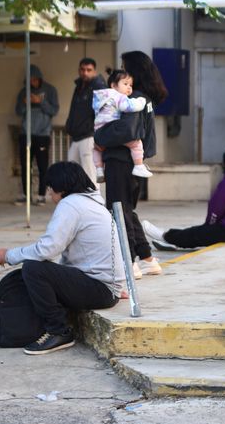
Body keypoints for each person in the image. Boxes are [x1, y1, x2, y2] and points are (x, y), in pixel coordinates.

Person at [0, 162, 126, 356]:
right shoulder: (92, 203)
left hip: (101, 289)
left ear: (62, 187)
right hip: (104, 287)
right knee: (23, 280)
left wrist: (9, 255)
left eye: (51, 190)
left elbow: (47, 249)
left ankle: (59, 331)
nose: (51, 196)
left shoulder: (72, 204)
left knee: (33, 269)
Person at [94, 51, 163, 279]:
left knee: (118, 210)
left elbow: (127, 130)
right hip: (130, 161)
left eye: (125, 68)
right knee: (125, 209)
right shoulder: (144, 97)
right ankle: (147, 259)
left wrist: (100, 136)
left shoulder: (132, 100)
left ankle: (130, 261)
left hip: (120, 160)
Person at [142, 147, 225, 251]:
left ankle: (166, 237)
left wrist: (208, 228)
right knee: (201, 232)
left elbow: (215, 210)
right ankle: (173, 240)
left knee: (197, 233)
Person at [92, 69, 152, 183]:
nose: (129, 88)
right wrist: (141, 101)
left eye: (131, 85)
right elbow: (129, 106)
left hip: (99, 132)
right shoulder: (118, 96)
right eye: (125, 84)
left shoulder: (101, 96)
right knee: (136, 143)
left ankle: (99, 169)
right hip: (113, 131)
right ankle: (138, 166)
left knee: (96, 149)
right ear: (113, 85)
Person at [15, 64, 59, 205]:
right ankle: (26, 195)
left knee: (42, 166)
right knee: (25, 165)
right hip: (25, 133)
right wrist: (25, 103)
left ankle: (41, 195)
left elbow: (54, 110)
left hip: (42, 134)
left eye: (35, 80)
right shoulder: (24, 92)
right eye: (30, 80)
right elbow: (18, 111)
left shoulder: (50, 90)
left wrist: (41, 101)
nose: (32, 83)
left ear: (39, 79)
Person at [65, 57, 106, 183]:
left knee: (91, 176)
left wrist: (96, 132)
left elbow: (104, 112)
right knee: (72, 173)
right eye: (82, 69)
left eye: (89, 70)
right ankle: (78, 201)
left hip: (89, 137)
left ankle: (94, 202)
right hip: (76, 136)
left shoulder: (99, 86)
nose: (85, 73)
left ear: (95, 71)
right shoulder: (79, 86)